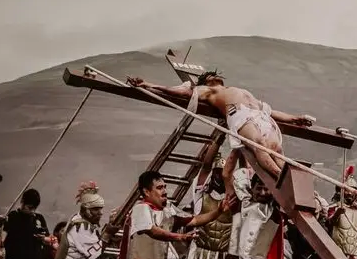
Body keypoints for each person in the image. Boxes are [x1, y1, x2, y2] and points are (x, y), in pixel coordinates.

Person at [126, 72, 316, 204]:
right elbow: (182, 92)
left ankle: (295, 183)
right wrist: (149, 84)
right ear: (206, 82)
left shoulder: (239, 90)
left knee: (277, 150)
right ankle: (280, 178)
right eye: (210, 76)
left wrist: (295, 118)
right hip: (241, 115)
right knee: (259, 145)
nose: (215, 76)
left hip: (261, 116)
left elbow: (270, 111)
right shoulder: (208, 90)